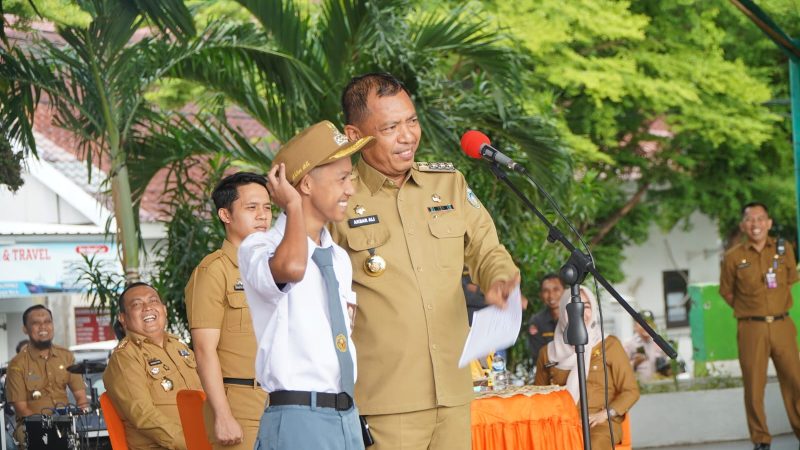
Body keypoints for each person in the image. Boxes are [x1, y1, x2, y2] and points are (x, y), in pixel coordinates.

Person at [332, 72, 520, 450]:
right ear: (354, 135)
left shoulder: (448, 184)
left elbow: (486, 249)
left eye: (412, 121)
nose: (408, 136)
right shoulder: (339, 198)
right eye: (390, 127)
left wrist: (499, 280)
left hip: (453, 390)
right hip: (385, 398)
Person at [239, 121, 372, 450]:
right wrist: (293, 205)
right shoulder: (261, 246)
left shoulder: (338, 257)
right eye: (342, 178)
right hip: (298, 416)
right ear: (307, 184)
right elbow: (292, 268)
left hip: (345, 414)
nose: (350, 190)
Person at [185, 172, 271, 449]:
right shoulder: (213, 271)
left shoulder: (276, 268)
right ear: (226, 215)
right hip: (240, 405)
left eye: (267, 207)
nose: (263, 215)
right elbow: (204, 350)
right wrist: (223, 415)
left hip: (284, 401)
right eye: (252, 207)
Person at [719, 202, 800, 450]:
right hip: (751, 328)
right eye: (750, 219)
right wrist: (749, 310)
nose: (756, 224)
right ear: (743, 225)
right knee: (754, 386)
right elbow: (726, 292)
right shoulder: (733, 257)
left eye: (760, 218)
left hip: (782, 324)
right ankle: (761, 440)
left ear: (769, 223)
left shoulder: (784, 249)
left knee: (796, 382)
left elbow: (791, 280)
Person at [534, 286, 639, 450]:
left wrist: (605, 414)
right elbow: (538, 398)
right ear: (563, 312)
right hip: (561, 424)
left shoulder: (609, 345)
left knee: (591, 445)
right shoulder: (547, 353)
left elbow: (630, 391)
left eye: (586, 306)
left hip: (599, 423)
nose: (580, 312)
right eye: (573, 307)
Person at [103, 282, 202, 450]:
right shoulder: (125, 357)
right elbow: (143, 415)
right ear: (123, 318)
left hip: (203, 439)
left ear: (164, 309)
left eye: (153, 301)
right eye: (137, 304)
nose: (147, 307)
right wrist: (192, 444)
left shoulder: (180, 347)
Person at [5, 305, 89, 449]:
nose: (43, 326)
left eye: (47, 321)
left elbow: (81, 398)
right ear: (25, 329)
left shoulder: (66, 356)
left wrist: (81, 420)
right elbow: (21, 409)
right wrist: (49, 428)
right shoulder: (17, 364)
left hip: (65, 424)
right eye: (36, 323)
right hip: (30, 427)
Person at [527, 273, 565, 364]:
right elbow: (538, 356)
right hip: (549, 369)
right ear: (541, 295)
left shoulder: (576, 317)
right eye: (546, 291)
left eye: (556, 289)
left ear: (565, 291)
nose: (551, 295)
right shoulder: (536, 322)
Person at [623, 310, 668, 382]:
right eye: (643, 323)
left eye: (650, 323)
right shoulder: (629, 344)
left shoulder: (658, 343)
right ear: (635, 326)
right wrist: (635, 362)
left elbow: (667, 366)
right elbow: (621, 370)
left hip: (658, 385)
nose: (647, 326)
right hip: (639, 386)